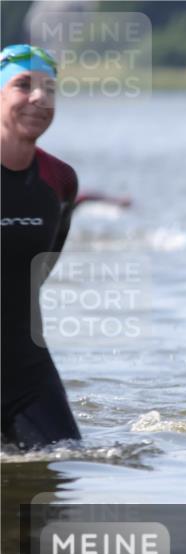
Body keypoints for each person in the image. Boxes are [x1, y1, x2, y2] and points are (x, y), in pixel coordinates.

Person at [1, 44, 82, 447]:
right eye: (23, 85)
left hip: (27, 370)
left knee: (68, 466)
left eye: (50, 88)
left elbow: (41, 270)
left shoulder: (60, 179)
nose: (39, 98)